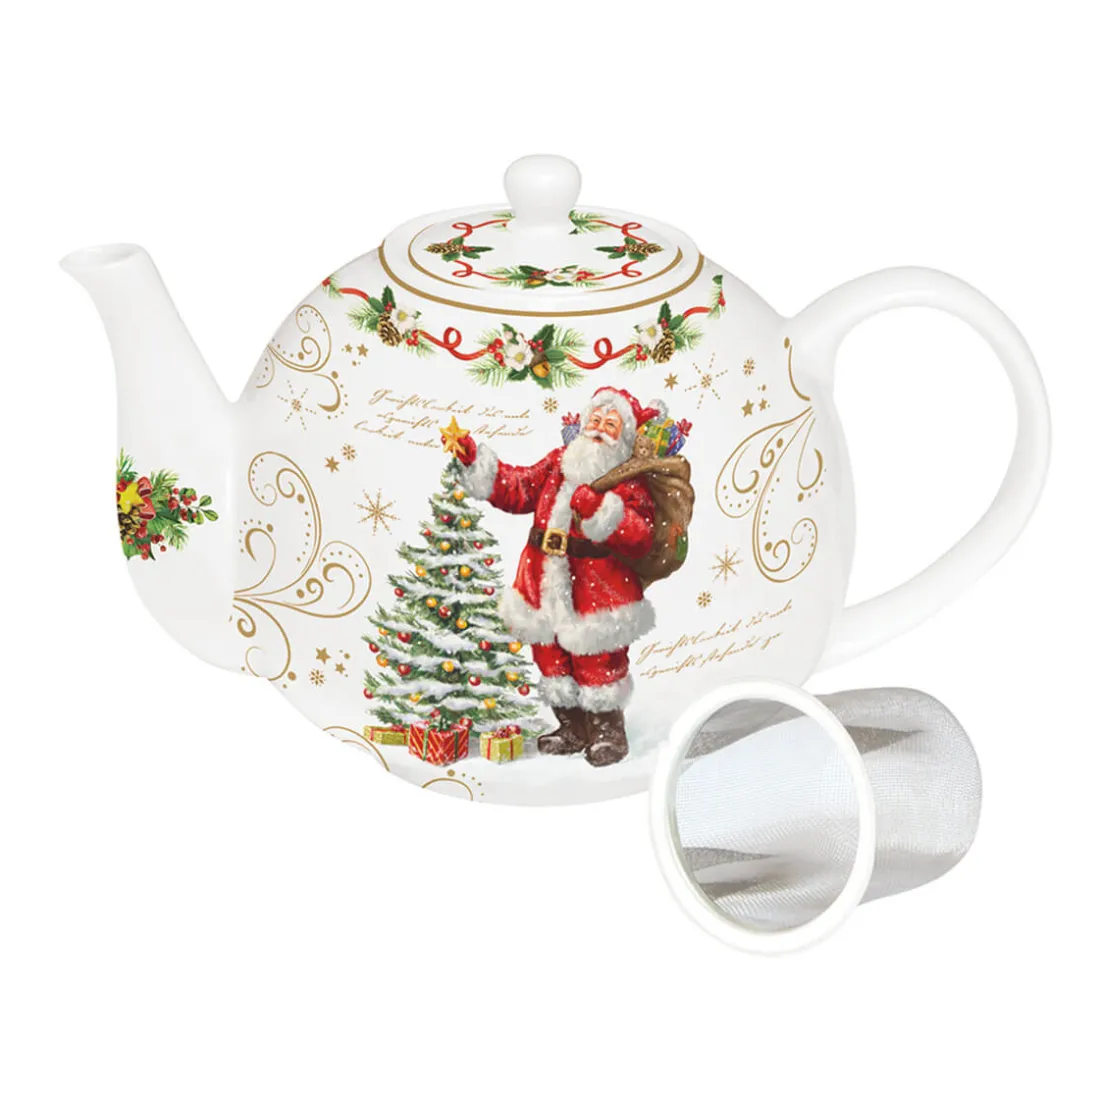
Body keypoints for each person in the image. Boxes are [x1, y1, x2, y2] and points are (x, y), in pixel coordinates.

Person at [449, 386, 661, 766]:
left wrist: (601, 509)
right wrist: (476, 463)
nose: (599, 429)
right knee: (551, 659)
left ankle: (607, 733)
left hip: (598, 589)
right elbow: (519, 487)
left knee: (597, 661)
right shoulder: (559, 462)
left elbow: (640, 534)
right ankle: (572, 727)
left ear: (624, 434)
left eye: (610, 424)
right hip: (541, 580)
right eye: (595, 420)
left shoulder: (627, 479)